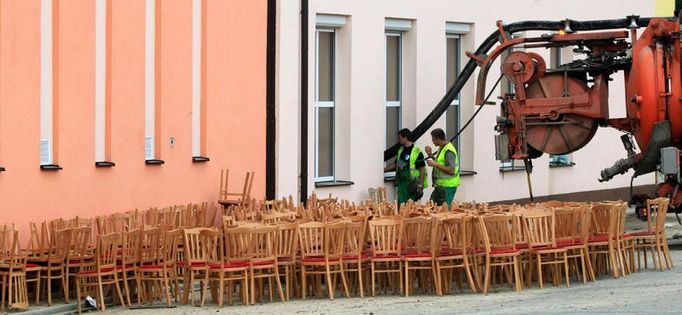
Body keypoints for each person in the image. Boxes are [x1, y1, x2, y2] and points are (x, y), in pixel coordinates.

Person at [384, 128, 427, 206]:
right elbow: (397, 164)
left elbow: (422, 169)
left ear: (405, 138)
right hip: (401, 183)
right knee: (401, 205)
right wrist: (384, 170)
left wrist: (420, 185)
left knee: (411, 205)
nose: (398, 140)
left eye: (400, 138)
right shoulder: (401, 150)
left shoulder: (416, 152)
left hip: (412, 184)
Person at [424, 128, 460, 207]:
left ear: (438, 138)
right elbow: (440, 163)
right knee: (432, 206)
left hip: (447, 186)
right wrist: (430, 155)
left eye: (433, 139)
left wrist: (434, 164)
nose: (432, 141)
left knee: (443, 210)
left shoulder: (448, 150)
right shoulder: (442, 147)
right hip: (441, 186)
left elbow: (451, 170)